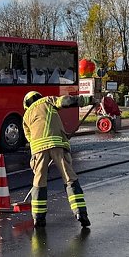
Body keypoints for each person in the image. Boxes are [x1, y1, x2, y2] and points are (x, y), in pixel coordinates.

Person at [22, 90, 93, 229]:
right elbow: (67, 101)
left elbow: (29, 138)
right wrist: (89, 100)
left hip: (38, 150)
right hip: (58, 145)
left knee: (39, 182)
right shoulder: (47, 101)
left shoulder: (26, 115)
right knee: (69, 178)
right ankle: (81, 213)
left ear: (26, 104)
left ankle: (38, 218)